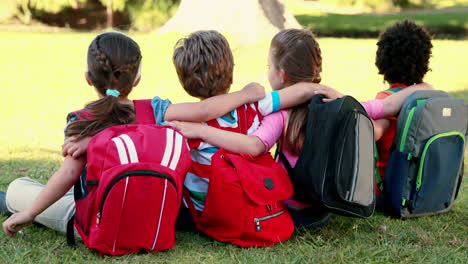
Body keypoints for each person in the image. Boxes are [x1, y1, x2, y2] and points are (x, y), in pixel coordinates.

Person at [1, 31, 266, 237]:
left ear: (88, 78)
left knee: (18, 189)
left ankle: (16, 203)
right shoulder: (158, 110)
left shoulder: (81, 121)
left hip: (101, 219)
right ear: (136, 79)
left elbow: (69, 174)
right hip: (158, 214)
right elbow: (206, 109)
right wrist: (246, 94)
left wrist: (30, 213)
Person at [167, 28, 432, 228]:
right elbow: (386, 107)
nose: (267, 72)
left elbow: (255, 145)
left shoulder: (277, 115)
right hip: (324, 208)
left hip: (289, 210)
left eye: (269, 66)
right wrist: (420, 88)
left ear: (281, 75)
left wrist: (201, 131)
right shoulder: (335, 104)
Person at [168, 30, 338, 216]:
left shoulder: (183, 125)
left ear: (185, 84)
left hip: (203, 209)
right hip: (245, 199)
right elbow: (303, 91)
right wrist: (326, 91)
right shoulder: (256, 106)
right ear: (231, 74)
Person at [373, 20, 434, 200]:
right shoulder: (428, 96)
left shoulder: (386, 99)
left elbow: (374, 132)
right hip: (419, 184)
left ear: (382, 61)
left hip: (390, 186)